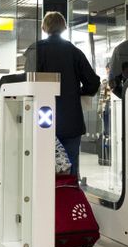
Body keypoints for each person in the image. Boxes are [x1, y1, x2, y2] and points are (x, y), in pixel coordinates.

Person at [24, 12, 100, 177]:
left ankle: (47, 201)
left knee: (41, 168)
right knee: (70, 168)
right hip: (71, 122)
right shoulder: (74, 52)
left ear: (44, 28)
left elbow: (28, 86)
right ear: (64, 28)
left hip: (42, 119)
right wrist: (76, 93)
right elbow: (93, 82)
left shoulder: (35, 50)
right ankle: (68, 200)